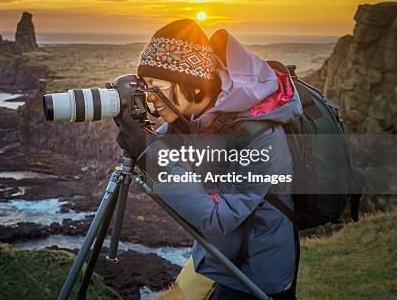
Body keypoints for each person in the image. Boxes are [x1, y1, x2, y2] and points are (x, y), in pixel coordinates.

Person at [116, 19, 302, 300]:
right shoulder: (194, 115)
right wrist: (139, 135)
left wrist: (149, 154)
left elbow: (218, 217)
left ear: (193, 85)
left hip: (253, 276)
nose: (151, 99)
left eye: (157, 87)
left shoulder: (261, 134)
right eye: (146, 86)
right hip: (216, 258)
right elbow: (162, 154)